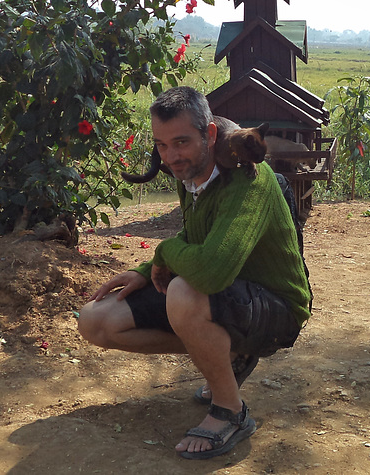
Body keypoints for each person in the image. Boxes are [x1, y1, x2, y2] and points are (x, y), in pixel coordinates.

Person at [77, 86, 311, 459]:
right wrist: (144, 269)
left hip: (276, 308)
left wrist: (163, 252)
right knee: (96, 319)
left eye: (181, 142)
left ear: (211, 134)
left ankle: (230, 411)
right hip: (228, 295)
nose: (171, 156)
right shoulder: (190, 173)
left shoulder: (247, 180)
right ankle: (228, 354)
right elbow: (196, 235)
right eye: (162, 145)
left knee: (185, 291)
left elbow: (211, 274)